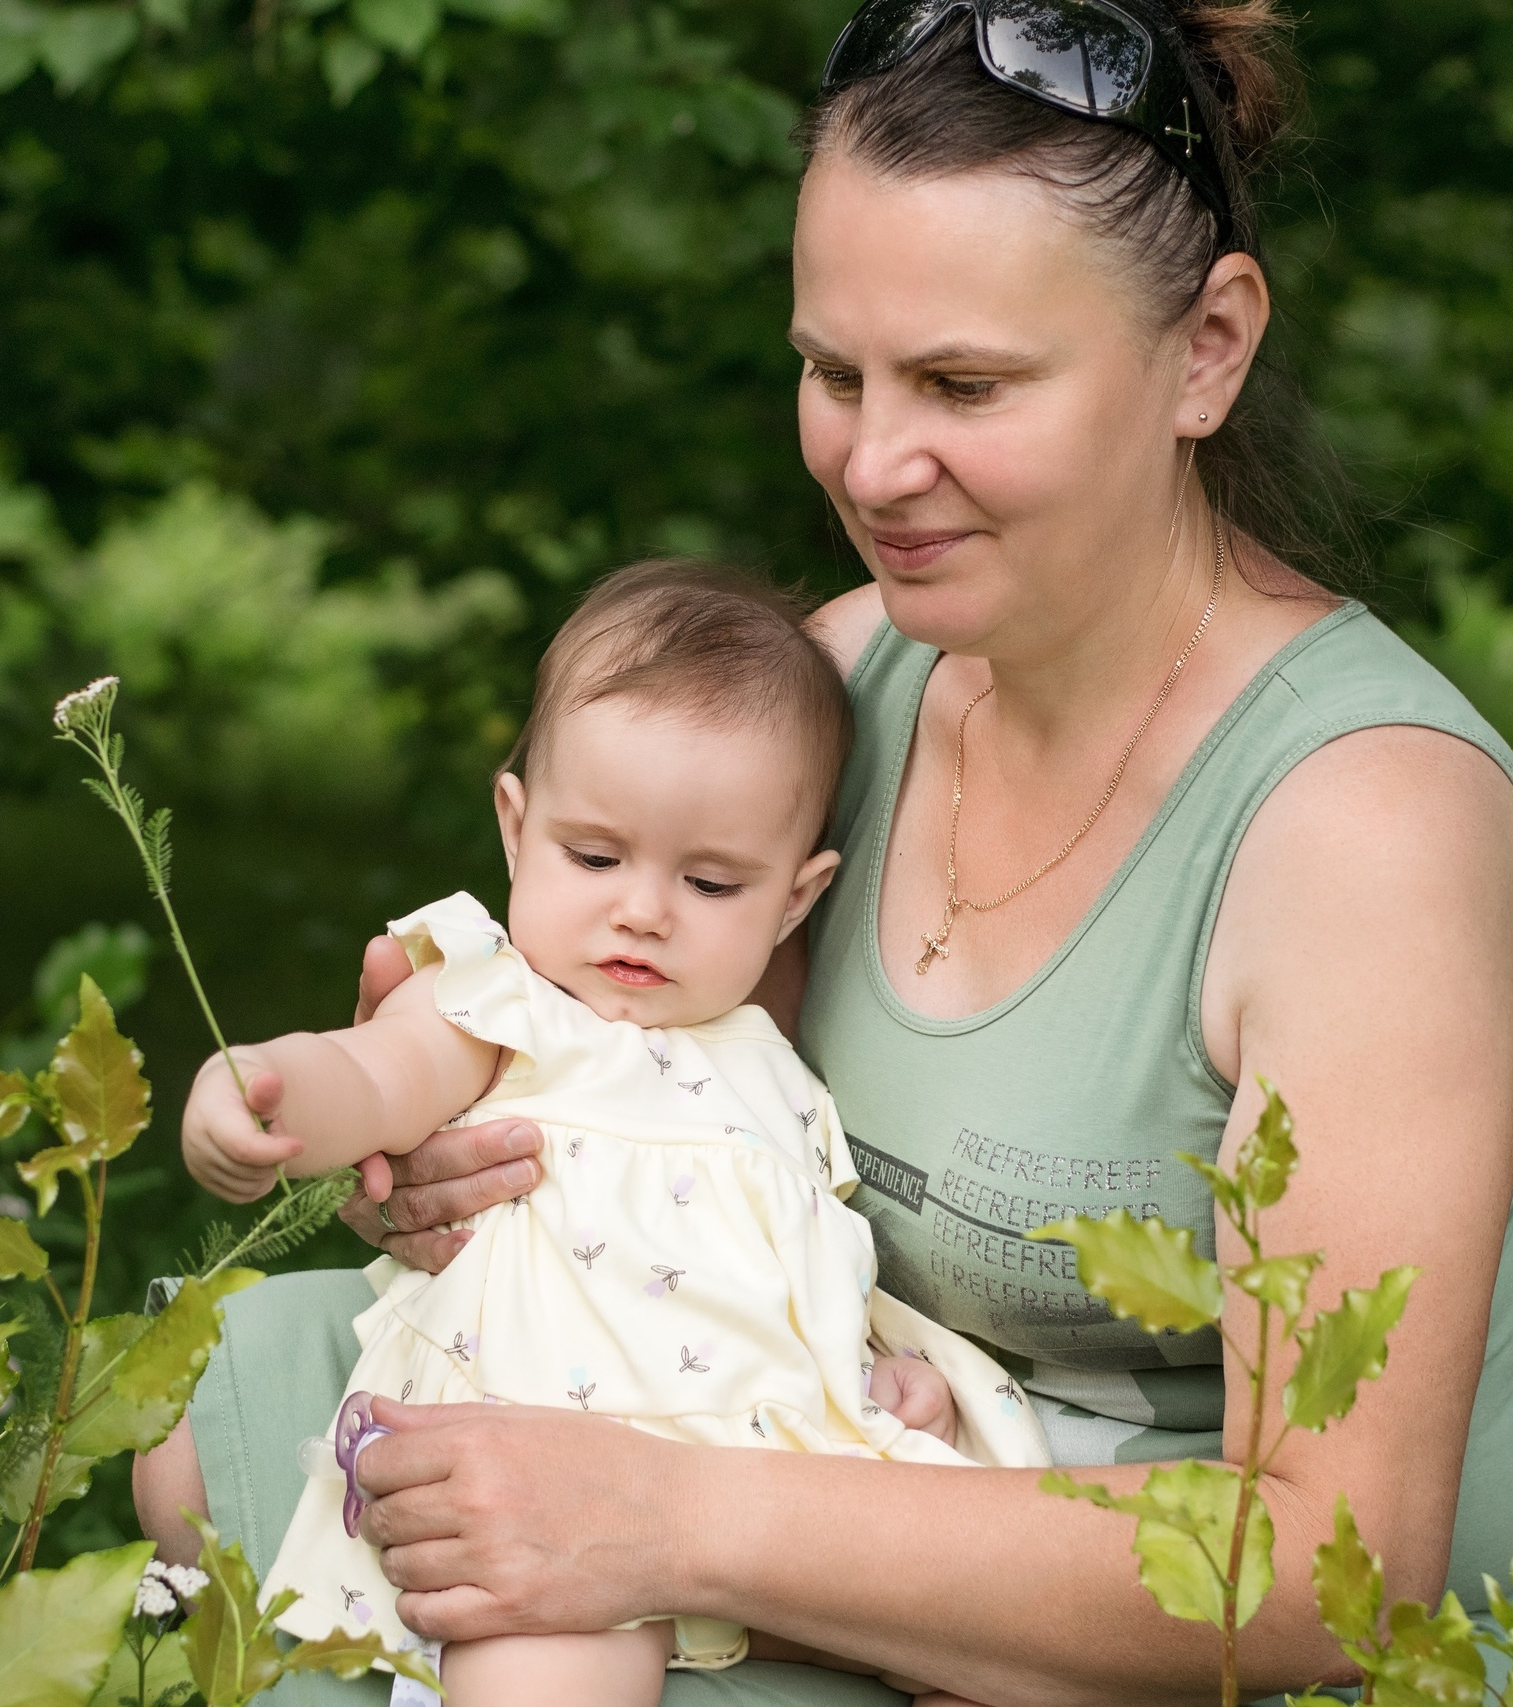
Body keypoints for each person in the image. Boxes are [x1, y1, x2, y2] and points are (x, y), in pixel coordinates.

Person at [140, 0, 1513, 1699]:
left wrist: (663, 1518)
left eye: (966, 383)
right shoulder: (845, 681)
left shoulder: (1366, 825)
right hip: (812, 1418)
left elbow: (1333, 1568)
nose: (875, 464)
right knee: (198, 1389)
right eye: (834, 372)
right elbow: (667, 1082)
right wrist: (478, 1154)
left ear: (1210, 347)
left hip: (1118, 1600)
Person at [179, 562, 1047, 1706]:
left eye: (710, 881)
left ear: (795, 899)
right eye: (595, 859)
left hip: (766, 1503)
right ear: (515, 825)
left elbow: (793, 1270)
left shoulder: (775, 1070)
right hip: (533, 1488)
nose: (642, 909)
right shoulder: (509, 1005)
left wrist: (876, 1382)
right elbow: (378, 1070)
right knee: (544, 1669)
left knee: (978, 1635)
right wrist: (271, 1089)